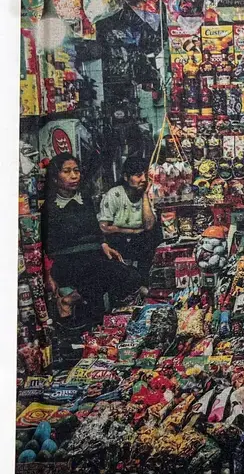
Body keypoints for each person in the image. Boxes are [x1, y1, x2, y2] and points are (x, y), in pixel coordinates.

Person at [42, 153, 143, 363]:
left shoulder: (84, 198)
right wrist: (48, 274)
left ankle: (74, 305)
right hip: (67, 261)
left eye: (76, 171)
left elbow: (94, 230)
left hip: (92, 257)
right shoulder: (49, 207)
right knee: (110, 276)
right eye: (67, 171)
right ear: (55, 177)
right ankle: (70, 304)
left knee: (129, 275)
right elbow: (43, 244)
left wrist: (104, 244)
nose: (74, 176)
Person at [97, 156, 158, 284]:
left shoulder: (149, 194)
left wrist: (145, 196)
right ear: (126, 177)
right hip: (118, 245)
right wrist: (132, 231)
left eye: (145, 175)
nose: (143, 179)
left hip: (140, 245)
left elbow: (149, 225)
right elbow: (103, 227)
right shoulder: (114, 194)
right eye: (138, 175)